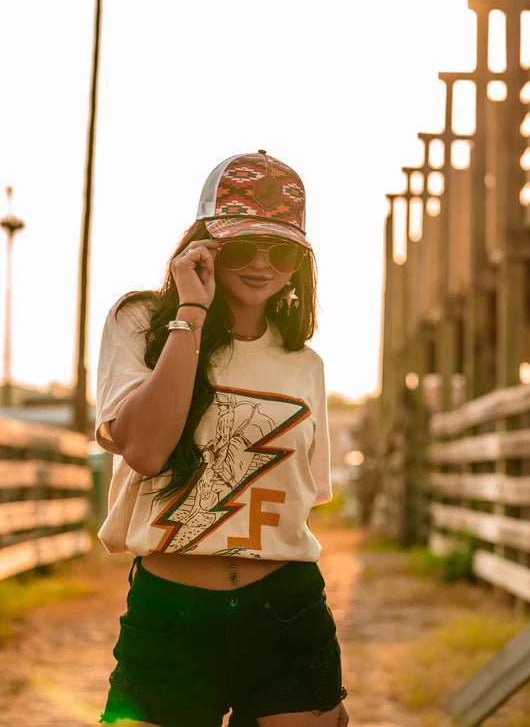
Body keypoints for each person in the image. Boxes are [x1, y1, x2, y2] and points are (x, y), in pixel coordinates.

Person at [95, 150, 349, 726]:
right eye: (241, 247)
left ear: (298, 263)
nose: (262, 263)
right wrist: (191, 310)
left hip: (286, 608)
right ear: (204, 246)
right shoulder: (141, 324)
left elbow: (304, 501)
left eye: (280, 249)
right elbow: (144, 450)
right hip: (170, 615)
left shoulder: (304, 362)